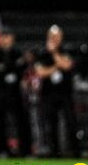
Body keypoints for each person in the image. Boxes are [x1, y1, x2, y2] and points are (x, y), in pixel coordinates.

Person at [35, 25, 81, 157]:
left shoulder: (67, 50)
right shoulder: (42, 53)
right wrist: (56, 66)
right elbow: (41, 73)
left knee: (71, 122)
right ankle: (54, 152)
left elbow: (67, 65)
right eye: (52, 37)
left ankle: (76, 152)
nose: (55, 39)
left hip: (65, 93)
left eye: (57, 36)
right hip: (49, 94)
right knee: (51, 124)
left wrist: (54, 54)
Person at [0, 27, 31, 157]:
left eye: (8, 37)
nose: (6, 40)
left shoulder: (17, 53)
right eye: (3, 37)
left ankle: (24, 150)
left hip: (15, 93)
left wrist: (10, 70)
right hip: (1, 93)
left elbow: (22, 68)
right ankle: (2, 150)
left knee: (21, 121)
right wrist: (12, 70)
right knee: (1, 123)